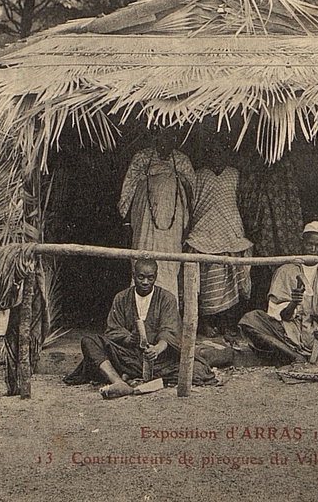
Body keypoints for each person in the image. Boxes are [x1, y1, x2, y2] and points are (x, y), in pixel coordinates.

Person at [63, 259, 215, 397]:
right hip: (128, 355)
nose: (145, 282)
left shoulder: (167, 298)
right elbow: (112, 329)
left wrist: (157, 349)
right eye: (141, 277)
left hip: (159, 359)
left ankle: (128, 376)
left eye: (150, 278)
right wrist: (129, 338)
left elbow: (169, 331)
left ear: (156, 276)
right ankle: (119, 382)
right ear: (134, 275)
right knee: (90, 342)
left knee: (197, 370)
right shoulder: (121, 298)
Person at [238, 221, 318, 364]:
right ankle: (294, 356)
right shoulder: (286, 269)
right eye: (309, 244)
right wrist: (293, 303)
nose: (313, 249)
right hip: (290, 331)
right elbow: (282, 315)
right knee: (250, 320)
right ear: (302, 243)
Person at [185, 144, 252, 337]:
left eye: (221, 151)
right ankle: (206, 323)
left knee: (229, 282)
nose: (217, 156)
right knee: (206, 284)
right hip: (204, 232)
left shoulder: (234, 174)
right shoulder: (199, 175)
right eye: (213, 152)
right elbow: (193, 203)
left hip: (229, 232)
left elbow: (241, 201)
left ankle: (226, 325)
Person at [118, 132, 195, 300]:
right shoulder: (142, 158)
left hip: (171, 230)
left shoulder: (182, 161)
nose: (165, 142)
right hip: (145, 225)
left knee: (169, 266)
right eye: (161, 136)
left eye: (170, 136)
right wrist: (126, 221)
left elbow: (191, 196)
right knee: (142, 265)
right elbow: (128, 191)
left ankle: (167, 312)